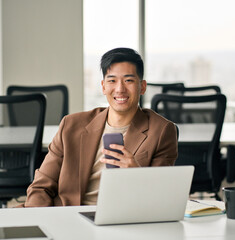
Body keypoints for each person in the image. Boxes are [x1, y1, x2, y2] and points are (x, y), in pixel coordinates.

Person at [21, 47, 178, 207]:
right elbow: (41, 186)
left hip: (122, 220)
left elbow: (160, 198)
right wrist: (37, 219)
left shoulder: (162, 131)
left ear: (142, 87)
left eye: (128, 80)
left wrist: (137, 175)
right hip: (69, 215)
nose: (120, 89)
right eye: (112, 81)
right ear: (103, 86)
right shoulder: (71, 125)